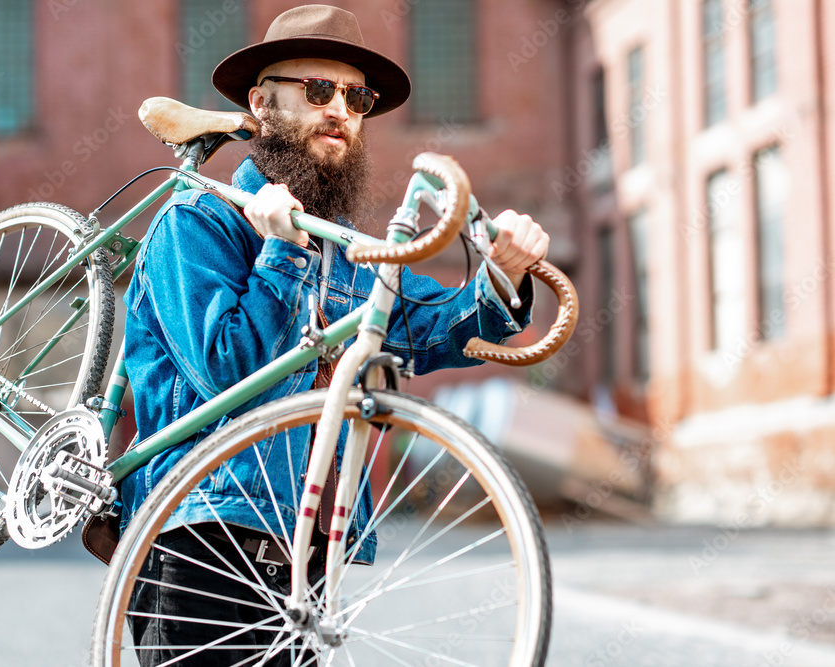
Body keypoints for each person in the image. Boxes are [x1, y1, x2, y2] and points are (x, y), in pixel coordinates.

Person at [118, 4, 549, 664]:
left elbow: (437, 325)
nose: (339, 110)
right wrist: (281, 253)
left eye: (357, 96)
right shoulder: (198, 223)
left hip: (303, 561)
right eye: (317, 90)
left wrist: (504, 273)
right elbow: (227, 374)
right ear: (262, 105)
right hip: (198, 540)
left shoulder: (348, 255)